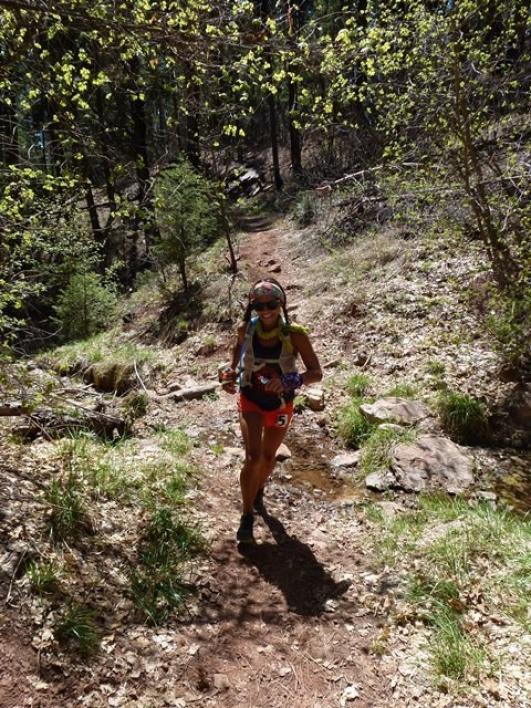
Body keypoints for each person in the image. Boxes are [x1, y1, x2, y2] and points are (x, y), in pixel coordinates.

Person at [219, 278, 322, 543]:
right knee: (252, 457)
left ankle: (257, 489)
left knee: (268, 458)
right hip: (250, 398)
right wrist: (229, 376)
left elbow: (316, 373)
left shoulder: (295, 334)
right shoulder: (245, 330)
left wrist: (289, 380)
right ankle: (246, 516)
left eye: (272, 304)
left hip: (281, 403)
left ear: (281, 304)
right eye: (259, 305)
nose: (266, 310)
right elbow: (237, 359)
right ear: (252, 307)